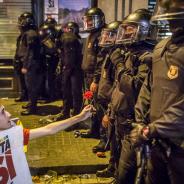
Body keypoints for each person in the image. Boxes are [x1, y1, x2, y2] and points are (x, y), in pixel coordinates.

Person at [129, 1, 184, 184]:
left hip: (179, 148)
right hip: (155, 143)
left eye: (172, 17)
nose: (168, 21)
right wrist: (140, 122)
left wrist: (151, 128)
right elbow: (148, 87)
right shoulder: (161, 47)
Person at [106, 9, 156, 184]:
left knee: (126, 173)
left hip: (132, 124)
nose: (125, 33)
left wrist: (119, 65)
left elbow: (133, 87)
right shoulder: (131, 53)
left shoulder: (147, 58)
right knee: (120, 165)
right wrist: (110, 111)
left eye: (130, 29)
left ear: (144, 30)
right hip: (120, 119)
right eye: (125, 29)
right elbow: (117, 88)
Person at [0, 104, 92, 184]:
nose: (9, 114)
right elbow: (49, 130)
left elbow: (49, 129)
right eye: (2, 112)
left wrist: (80, 117)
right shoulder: (13, 133)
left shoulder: (13, 133)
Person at [80, 7, 108, 153]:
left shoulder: (102, 35)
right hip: (88, 76)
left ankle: (104, 140)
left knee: (101, 107)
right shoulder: (92, 35)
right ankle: (94, 130)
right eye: (88, 20)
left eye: (91, 20)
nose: (89, 23)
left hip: (95, 78)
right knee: (93, 106)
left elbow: (101, 60)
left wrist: (96, 80)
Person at [53, 22, 83, 121]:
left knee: (75, 94)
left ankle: (75, 117)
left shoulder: (71, 39)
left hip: (75, 70)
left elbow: (70, 58)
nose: (67, 31)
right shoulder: (71, 39)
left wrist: (65, 70)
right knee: (67, 92)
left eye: (69, 29)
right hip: (69, 69)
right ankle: (66, 112)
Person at [16, 12, 44, 115]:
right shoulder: (29, 32)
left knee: (32, 87)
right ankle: (31, 103)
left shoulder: (30, 34)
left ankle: (32, 109)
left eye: (21, 20)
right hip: (32, 65)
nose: (20, 23)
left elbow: (30, 51)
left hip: (32, 66)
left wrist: (26, 66)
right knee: (30, 87)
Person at [39, 18, 59, 102]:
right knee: (47, 78)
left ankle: (51, 96)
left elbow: (53, 49)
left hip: (52, 59)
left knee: (50, 79)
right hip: (46, 59)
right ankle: (46, 95)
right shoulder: (47, 37)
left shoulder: (53, 38)